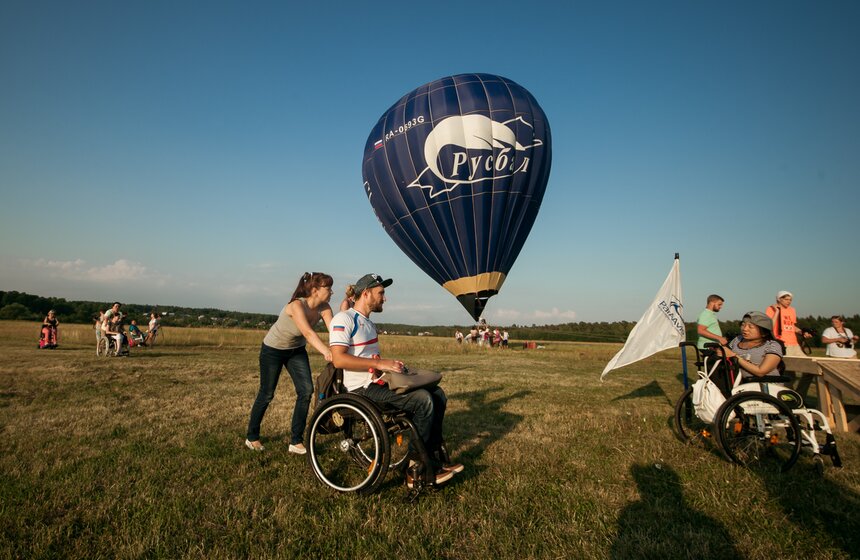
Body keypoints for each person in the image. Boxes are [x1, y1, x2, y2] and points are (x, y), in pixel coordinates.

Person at [329, 273, 462, 488]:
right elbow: (338, 359)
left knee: (438, 394)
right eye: (381, 293)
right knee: (423, 400)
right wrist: (381, 364)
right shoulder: (344, 319)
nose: (385, 298)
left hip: (377, 382)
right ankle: (414, 467)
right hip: (360, 390)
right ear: (366, 293)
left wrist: (389, 366)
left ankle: (433, 458)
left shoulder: (368, 324)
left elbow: (368, 359)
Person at [246, 272, 334, 454]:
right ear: (315, 290)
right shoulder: (296, 305)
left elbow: (334, 331)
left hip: (296, 351)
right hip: (273, 350)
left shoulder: (325, 308)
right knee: (267, 393)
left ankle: (296, 442)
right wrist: (326, 351)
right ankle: (252, 437)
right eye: (328, 288)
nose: (332, 291)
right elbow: (308, 333)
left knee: (306, 391)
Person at [721, 311, 783, 379]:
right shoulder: (737, 339)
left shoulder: (772, 345)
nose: (745, 329)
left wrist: (734, 356)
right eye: (743, 325)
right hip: (738, 385)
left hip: (764, 386)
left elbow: (761, 372)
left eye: (750, 326)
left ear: (764, 332)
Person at [766, 291, 811, 358]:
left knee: (807, 363)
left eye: (790, 300)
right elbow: (770, 325)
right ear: (779, 299)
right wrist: (777, 312)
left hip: (794, 343)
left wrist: (802, 332)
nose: (789, 302)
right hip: (781, 343)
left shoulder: (792, 310)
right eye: (786, 299)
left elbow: (792, 326)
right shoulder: (771, 309)